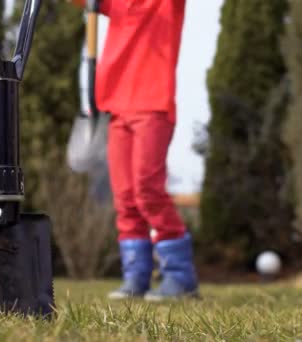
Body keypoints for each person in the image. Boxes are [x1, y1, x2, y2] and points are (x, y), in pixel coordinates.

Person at [70, 0, 199, 301]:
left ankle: (180, 278)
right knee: (125, 197)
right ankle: (136, 278)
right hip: (117, 108)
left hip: (153, 106)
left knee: (148, 191)